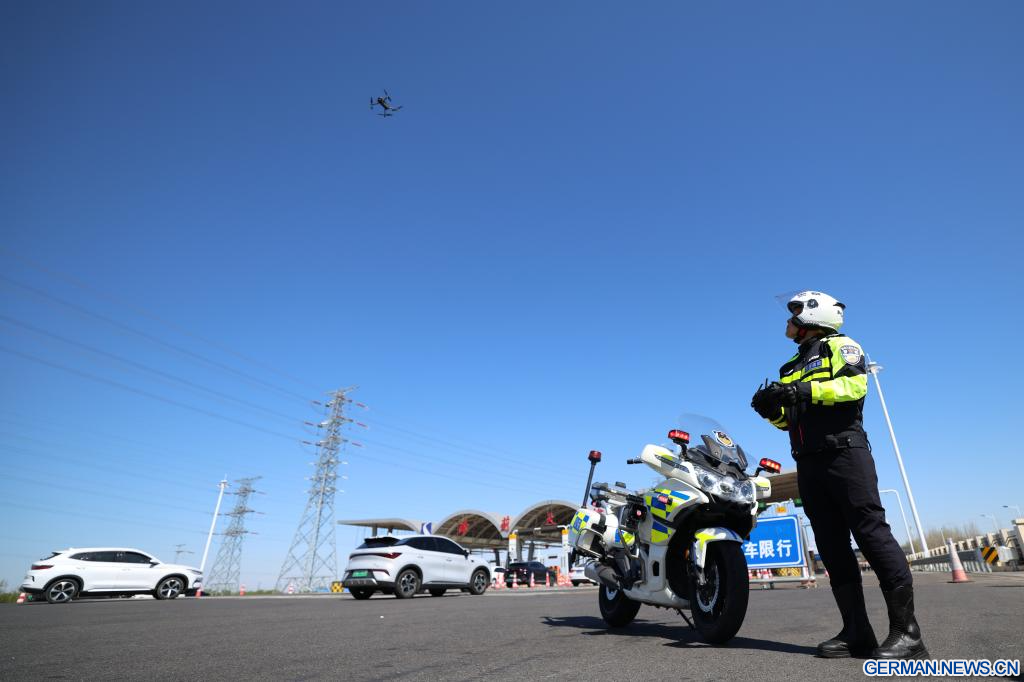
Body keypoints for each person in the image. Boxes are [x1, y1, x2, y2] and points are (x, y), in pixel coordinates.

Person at [751, 291, 927, 660]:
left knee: (871, 533)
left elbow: (853, 387)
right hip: (808, 462)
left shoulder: (841, 346)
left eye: (794, 314)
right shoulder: (788, 366)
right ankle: (856, 632)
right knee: (830, 545)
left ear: (813, 316)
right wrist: (770, 411)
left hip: (845, 453)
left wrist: (801, 390)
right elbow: (789, 421)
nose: (788, 321)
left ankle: (908, 634)